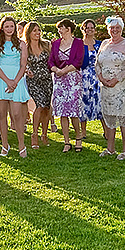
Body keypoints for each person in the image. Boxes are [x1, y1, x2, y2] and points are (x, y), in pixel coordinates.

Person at [96, 16, 125, 159]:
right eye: (112, 28)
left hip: (121, 88)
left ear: (122, 29)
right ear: (108, 29)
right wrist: (101, 78)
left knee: (123, 117)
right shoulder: (105, 44)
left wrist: (116, 79)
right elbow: (97, 63)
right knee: (109, 117)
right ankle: (110, 148)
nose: (114, 30)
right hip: (106, 88)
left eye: (117, 28)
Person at [0, 16, 29, 157]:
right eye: (6, 26)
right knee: (2, 115)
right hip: (1, 80)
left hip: (16, 80)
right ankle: (5, 145)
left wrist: (15, 82)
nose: (9, 29)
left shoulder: (21, 44)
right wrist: (8, 81)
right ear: (2, 28)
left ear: (15, 28)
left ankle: (21, 145)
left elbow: (23, 64)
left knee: (17, 114)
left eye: (11, 26)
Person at [49, 19, 86, 153]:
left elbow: (78, 61)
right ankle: (66, 141)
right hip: (59, 81)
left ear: (69, 29)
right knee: (63, 113)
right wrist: (56, 70)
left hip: (73, 80)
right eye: (59, 28)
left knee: (73, 112)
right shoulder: (56, 43)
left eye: (61, 28)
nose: (59, 30)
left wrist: (64, 70)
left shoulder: (78, 43)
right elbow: (51, 61)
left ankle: (78, 138)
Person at [22, 21, 54, 148]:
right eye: (34, 30)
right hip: (33, 80)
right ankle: (34, 134)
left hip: (47, 79)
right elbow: (22, 62)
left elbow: (53, 60)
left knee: (46, 107)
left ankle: (44, 134)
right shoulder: (24, 46)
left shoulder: (46, 44)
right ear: (28, 33)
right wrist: (26, 70)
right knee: (39, 105)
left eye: (38, 30)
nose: (37, 33)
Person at [77, 19, 102, 153]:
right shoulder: (79, 44)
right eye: (87, 27)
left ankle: (106, 130)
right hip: (83, 76)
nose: (90, 30)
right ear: (83, 29)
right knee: (83, 103)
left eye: (92, 27)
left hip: (98, 77)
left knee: (100, 103)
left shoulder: (100, 44)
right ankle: (83, 130)